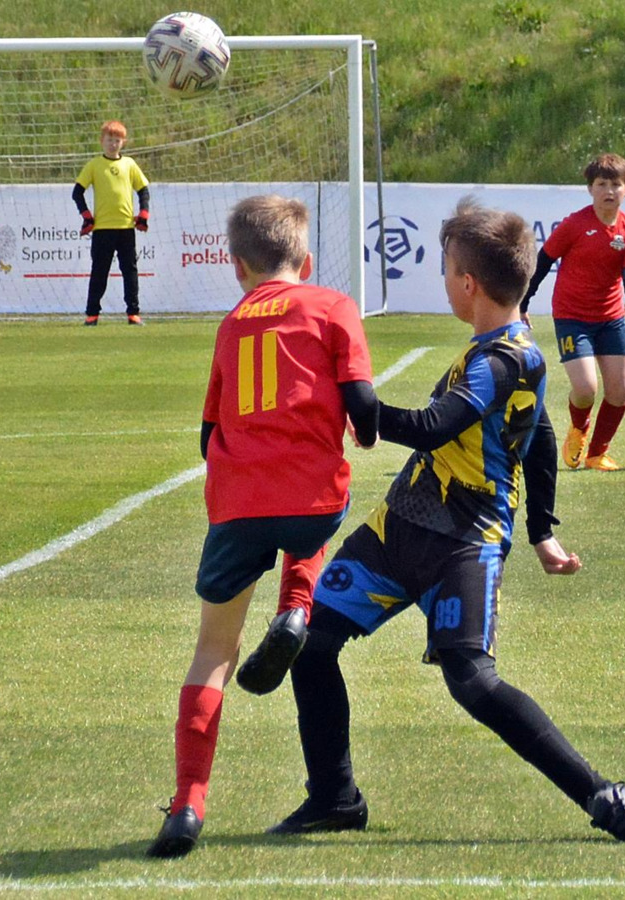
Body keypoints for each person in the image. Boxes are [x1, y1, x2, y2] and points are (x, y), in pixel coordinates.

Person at [269, 198, 625, 845]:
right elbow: (541, 437)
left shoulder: (504, 359)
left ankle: (603, 796)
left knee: (473, 682)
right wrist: (543, 530)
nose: (445, 279)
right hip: (398, 528)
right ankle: (334, 798)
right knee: (311, 645)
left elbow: (434, 426)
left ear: (468, 283)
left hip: (464, 542)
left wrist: (356, 401)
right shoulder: (499, 351)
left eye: (447, 268)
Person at [147, 195, 380, 859]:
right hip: (310, 496)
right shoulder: (332, 306)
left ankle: (187, 803)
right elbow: (362, 401)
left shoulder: (231, 325)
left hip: (237, 501)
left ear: (237, 266)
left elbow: (207, 434)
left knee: (212, 652)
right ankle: (297, 606)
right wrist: (362, 432)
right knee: (316, 514)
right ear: (306, 260)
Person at [520, 152, 625, 472]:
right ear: (590, 189)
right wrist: (523, 303)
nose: (609, 191)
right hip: (572, 317)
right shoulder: (575, 225)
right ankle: (578, 430)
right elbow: (542, 263)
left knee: (618, 391)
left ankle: (596, 454)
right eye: (601, 184)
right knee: (586, 389)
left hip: (611, 318)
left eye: (616, 185)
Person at [73, 121, 150, 326]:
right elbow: (77, 192)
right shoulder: (94, 165)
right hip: (102, 229)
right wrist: (87, 216)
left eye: (117, 140)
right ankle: (92, 314)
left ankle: (133, 313)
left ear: (123, 142)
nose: (113, 144)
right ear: (102, 141)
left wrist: (143, 213)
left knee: (130, 272)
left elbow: (143, 190)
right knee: (99, 272)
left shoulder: (129, 164)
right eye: (109, 140)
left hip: (126, 228)